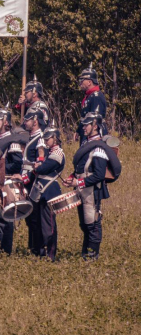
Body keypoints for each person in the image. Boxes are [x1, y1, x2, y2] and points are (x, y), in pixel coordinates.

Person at [63, 109, 111, 260]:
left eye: (87, 125)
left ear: (95, 125)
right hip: (83, 188)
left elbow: (98, 174)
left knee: (93, 223)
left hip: (93, 190)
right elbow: (81, 166)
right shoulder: (86, 143)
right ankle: (85, 254)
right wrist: (72, 177)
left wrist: (80, 182)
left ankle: (92, 256)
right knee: (84, 224)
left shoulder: (99, 147)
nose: (83, 127)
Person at [18, 124, 65, 261]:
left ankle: (50, 255)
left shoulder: (58, 153)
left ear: (55, 138)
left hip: (49, 192)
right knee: (37, 223)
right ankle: (39, 251)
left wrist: (37, 166)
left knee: (48, 226)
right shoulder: (50, 153)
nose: (45, 141)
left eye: (48, 139)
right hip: (39, 191)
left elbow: (44, 168)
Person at [0, 107, 26, 254]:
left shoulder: (12, 141)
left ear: (6, 122)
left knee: (5, 220)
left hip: (6, 183)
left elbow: (16, 163)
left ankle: (5, 252)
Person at [77, 63, 107, 144]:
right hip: (87, 133)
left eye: (82, 80)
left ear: (89, 82)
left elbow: (94, 119)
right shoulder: (89, 96)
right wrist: (78, 130)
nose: (80, 83)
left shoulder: (96, 97)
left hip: (93, 135)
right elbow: (84, 118)